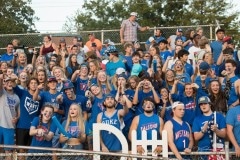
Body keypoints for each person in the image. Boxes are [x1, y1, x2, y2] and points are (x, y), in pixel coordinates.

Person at [0, 75, 20, 156]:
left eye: (11, 82)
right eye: (7, 82)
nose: (9, 83)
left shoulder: (17, 97)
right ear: (4, 84)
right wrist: (1, 79)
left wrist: (17, 118)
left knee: (9, 152)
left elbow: (19, 113)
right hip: (0, 125)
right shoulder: (2, 93)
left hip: (10, 127)